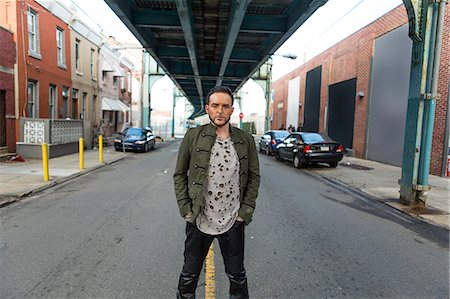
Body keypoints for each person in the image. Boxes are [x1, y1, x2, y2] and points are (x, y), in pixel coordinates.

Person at [173, 86, 260, 299]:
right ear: (207, 109)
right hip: (199, 219)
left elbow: (254, 177)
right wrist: (186, 209)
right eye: (215, 106)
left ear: (231, 110)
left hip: (233, 221)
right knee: (189, 275)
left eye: (225, 106)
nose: (220, 111)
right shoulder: (193, 136)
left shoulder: (245, 139)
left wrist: (245, 212)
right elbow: (179, 175)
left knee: (237, 276)